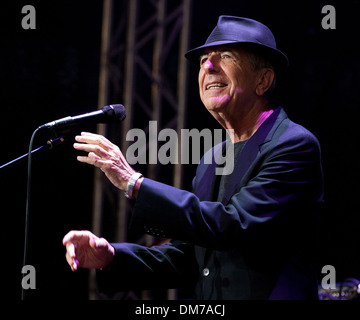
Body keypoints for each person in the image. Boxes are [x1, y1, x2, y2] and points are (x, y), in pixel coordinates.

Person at [63, 16, 324, 300]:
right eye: (203, 60)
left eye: (225, 56)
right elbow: (189, 256)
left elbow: (230, 225)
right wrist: (112, 256)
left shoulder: (294, 146)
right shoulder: (212, 158)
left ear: (263, 80)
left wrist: (133, 182)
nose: (209, 66)